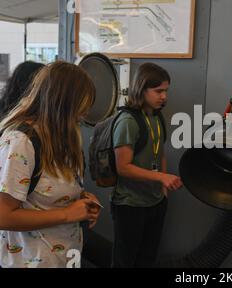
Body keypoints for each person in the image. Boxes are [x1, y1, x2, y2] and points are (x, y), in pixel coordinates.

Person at [0, 61, 101, 268]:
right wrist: (67, 213)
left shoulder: (64, 138)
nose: (82, 116)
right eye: (79, 108)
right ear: (63, 104)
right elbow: (3, 215)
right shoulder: (22, 141)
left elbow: (48, 191)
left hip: (64, 257)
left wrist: (81, 201)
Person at [112, 62, 183, 268]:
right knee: (126, 262)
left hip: (155, 202)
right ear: (141, 89)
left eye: (166, 91)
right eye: (158, 91)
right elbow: (123, 167)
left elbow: (159, 153)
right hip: (130, 205)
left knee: (147, 260)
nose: (164, 96)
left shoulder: (157, 117)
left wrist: (162, 191)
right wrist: (162, 177)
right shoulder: (128, 121)